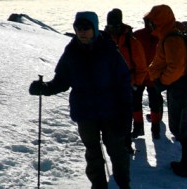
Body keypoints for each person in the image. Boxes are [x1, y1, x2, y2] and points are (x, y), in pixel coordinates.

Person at [28, 11, 132, 189]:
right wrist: (44, 88)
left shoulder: (109, 50)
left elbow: (124, 83)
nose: (82, 32)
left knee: (117, 151)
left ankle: (123, 183)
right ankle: (98, 185)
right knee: (92, 153)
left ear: (95, 28)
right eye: (78, 28)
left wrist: (125, 114)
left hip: (111, 111)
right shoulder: (71, 53)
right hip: (85, 112)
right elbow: (61, 81)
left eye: (86, 28)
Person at [143, 4, 187, 177]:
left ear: (160, 21)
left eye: (153, 22)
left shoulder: (172, 39)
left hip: (180, 88)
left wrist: (162, 81)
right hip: (179, 87)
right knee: (180, 125)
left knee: (181, 126)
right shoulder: (168, 37)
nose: (150, 26)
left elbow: (176, 67)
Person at [106, 9, 149, 151]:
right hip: (108, 85)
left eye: (115, 24)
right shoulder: (103, 40)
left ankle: (125, 143)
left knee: (125, 115)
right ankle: (116, 141)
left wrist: (135, 84)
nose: (113, 28)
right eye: (110, 25)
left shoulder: (131, 42)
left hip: (127, 85)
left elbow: (142, 67)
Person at [133, 10, 164, 140]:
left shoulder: (137, 35)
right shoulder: (161, 36)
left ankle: (138, 127)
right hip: (153, 76)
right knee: (155, 102)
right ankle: (155, 129)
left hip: (139, 75)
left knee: (135, 101)